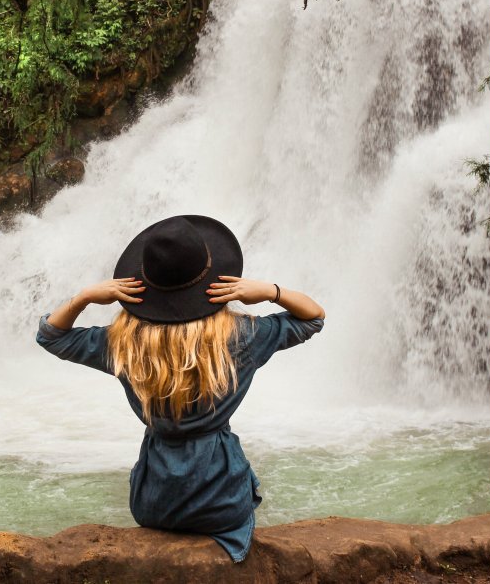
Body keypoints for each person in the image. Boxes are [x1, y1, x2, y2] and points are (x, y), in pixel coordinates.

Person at [36, 214, 325, 563]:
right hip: (221, 503)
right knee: (246, 493)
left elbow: (51, 336)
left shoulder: (123, 344)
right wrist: (270, 292)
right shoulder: (243, 338)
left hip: (153, 503)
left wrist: (84, 297)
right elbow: (313, 317)